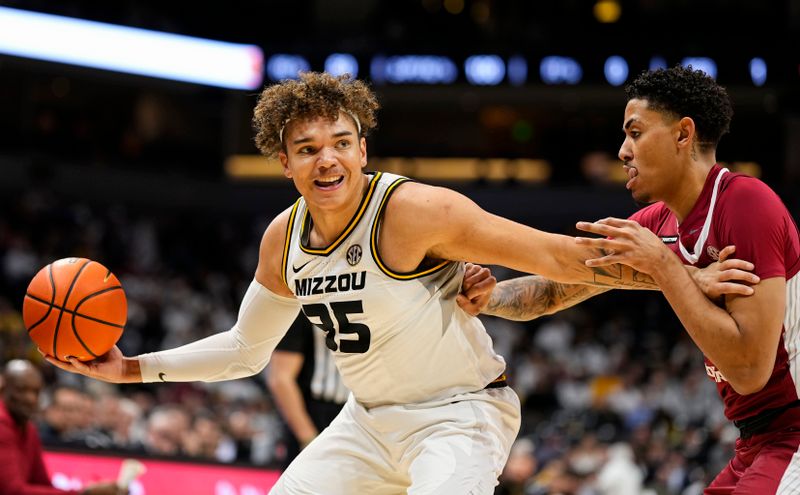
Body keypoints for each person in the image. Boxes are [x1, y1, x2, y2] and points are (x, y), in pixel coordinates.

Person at [45, 71, 674, 494]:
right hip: (366, 422)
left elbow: (555, 257)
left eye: (341, 142)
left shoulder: (415, 212)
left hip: (458, 415)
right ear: (284, 160)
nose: (327, 159)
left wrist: (681, 273)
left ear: (363, 150)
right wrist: (129, 370)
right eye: (308, 147)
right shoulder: (281, 239)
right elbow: (245, 350)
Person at [461, 65, 800, 494]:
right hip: (755, 441)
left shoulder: (747, 204)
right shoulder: (654, 224)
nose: (623, 151)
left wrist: (663, 265)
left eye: (635, 133)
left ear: (683, 134)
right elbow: (551, 291)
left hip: (792, 432)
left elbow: (750, 371)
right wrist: (483, 298)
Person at [0, 359, 125, 495]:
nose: (30, 398)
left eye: (35, 392)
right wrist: (84, 493)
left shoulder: (29, 429)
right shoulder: (2, 425)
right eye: (21, 390)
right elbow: (12, 491)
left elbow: (42, 484)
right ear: (3, 389)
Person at [266, 313, 349, 467]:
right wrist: (308, 437)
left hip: (355, 415)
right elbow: (280, 379)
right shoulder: (302, 310)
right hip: (315, 412)